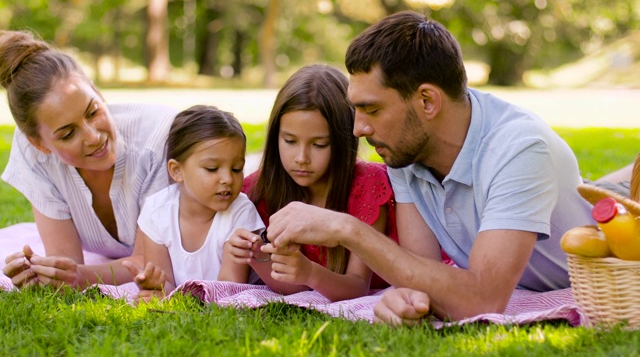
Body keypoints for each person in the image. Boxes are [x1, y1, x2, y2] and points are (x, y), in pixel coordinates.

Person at [265, 11, 599, 324]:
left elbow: (482, 301)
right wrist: (408, 300)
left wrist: (348, 230)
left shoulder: (519, 148)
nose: (358, 129)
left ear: (427, 101)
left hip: (602, 267)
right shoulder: (404, 149)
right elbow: (419, 269)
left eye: (371, 109)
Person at [0, 30, 178, 288]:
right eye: (68, 133)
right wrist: (43, 273)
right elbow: (67, 262)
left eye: (93, 111)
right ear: (39, 144)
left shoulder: (156, 140)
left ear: (97, 92)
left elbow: (150, 263)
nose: (93, 137)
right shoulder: (32, 155)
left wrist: (80, 277)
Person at [219, 64, 399, 302]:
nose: (301, 158)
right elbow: (289, 287)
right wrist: (254, 255)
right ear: (275, 136)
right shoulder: (259, 189)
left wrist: (309, 273)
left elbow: (357, 288)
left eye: (318, 144)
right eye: (290, 141)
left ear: (344, 140)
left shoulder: (368, 185)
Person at [124, 105, 264, 302]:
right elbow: (167, 285)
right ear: (176, 171)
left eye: (236, 169)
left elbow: (229, 289)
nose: (227, 179)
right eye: (212, 168)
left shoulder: (241, 212)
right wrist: (156, 289)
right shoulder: (156, 210)